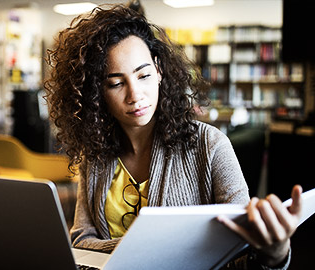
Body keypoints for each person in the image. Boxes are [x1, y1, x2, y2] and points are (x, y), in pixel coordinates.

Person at [44, 4, 302, 270]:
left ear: (158, 71)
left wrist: (276, 253)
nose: (135, 95)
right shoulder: (95, 154)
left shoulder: (210, 145)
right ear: (97, 91)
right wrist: (135, 248)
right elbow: (80, 240)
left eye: (143, 75)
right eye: (117, 83)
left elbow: (243, 252)